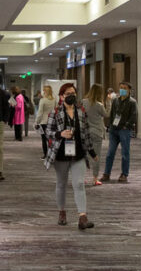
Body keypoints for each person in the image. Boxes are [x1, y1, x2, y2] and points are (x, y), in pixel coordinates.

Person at [44, 83, 97, 231]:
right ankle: (62, 212)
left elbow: (86, 133)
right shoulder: (55, 112)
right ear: (61, 96)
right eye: (68, 93)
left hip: (78, 154)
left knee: (79, 184)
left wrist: (92, 152)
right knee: (61, 184)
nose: (71, 96)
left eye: (73, 93)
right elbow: (47, 132)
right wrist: (59, 134)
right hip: (60, 154)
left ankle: (82, 217)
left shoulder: (81, 111)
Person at [103, 82, 137, 183]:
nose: (122, 89)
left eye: (124, 88)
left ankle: (124, 174)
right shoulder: (115, 101)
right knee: (110, 153)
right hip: (114, 130)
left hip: (124, 130)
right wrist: (111, 126)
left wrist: (127, 126)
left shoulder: (132, 102)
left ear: (129, 90)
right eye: (121, 87)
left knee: (125, 153)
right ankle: (106, 173)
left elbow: (133, 116)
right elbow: (112, 113)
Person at [83, 84, 108, 186]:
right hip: (97, 132)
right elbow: (107, 115)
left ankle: (82, 177)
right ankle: (95, 178)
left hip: (85, 132)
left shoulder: (83, 102)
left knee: (84, 155)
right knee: (96, 156)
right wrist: (109, 102)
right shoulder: (99, 105)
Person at [35, 85, 56, 159]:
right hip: (52, 121)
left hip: (43, 122)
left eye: (43, 91)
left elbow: (40, 113)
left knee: (44, 139)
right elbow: (55, 110)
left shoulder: (42, 100)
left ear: (45, 92)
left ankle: (45, 155)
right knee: (51, 139)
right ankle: (52, 154)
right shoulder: (54, 100)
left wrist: (36, 122)